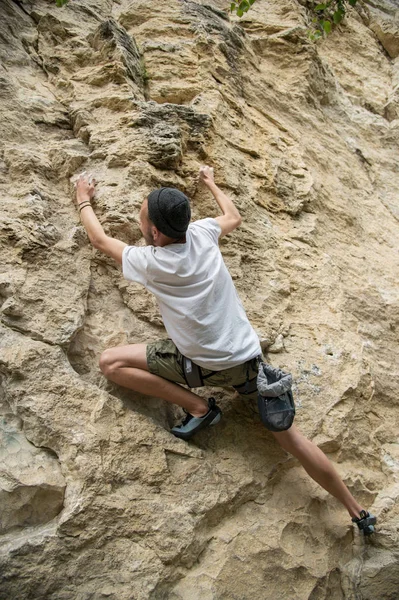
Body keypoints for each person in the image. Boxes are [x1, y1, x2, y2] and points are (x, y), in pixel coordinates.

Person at [74, 167, 376, 534]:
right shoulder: (203, 233)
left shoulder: (152, 262)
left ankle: (198, 407)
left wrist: (83, 198)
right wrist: (211, 183)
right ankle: (357, 510)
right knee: (294, 440)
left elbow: (100, 241)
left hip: (198, 365)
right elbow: (233, 216)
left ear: (154, 232)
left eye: (142, 218)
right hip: (249, 364)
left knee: (111, 362)